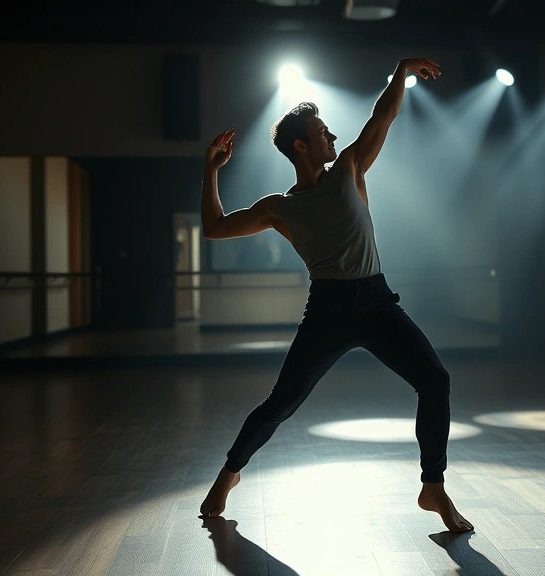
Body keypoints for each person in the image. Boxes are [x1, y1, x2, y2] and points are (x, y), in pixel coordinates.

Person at [197, 57, 473, 533]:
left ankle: (434, 487)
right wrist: (210, 172)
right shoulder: (278, 208)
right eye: (323, 132)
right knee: (280, 404)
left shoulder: (349, 169)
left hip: (377, 301)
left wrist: (401, 72)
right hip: (328, 310)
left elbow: (382, 116)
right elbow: (215, 228)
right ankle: (228, 474)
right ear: (301, 145)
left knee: (435, 380)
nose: (334, 138)